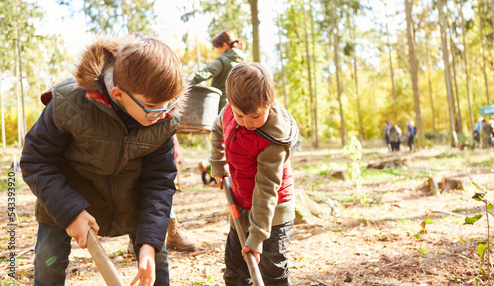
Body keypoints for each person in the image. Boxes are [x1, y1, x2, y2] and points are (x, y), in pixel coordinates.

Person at [20, 34, 186, 286]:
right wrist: (70, 212)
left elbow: (159, 182)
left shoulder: (162, 119)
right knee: (48, 261)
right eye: (154, 107)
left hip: (128, 197)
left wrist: (150, 243)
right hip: (63, 197)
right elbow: (36, 161)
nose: (163, 114)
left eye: (169, 105)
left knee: (154, 261)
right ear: (118, 93)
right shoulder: (68, 103)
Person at [210, 62, 299, 285]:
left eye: (255, 116)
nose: (248, 124)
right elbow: (217, 128)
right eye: (240, 116)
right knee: (235, 271)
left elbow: (267, 190)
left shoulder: (274, 141)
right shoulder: (231, 110)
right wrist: (218, 164)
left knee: (271, 271)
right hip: (241, 204)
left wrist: (257, 236)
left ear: (269, 104)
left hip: (273, 210)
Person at [186, 29, 245, 113]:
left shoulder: (223, 60)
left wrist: (183, 82)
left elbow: (205, 73)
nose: (217, 52)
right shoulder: (243, 63)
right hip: (238, 107)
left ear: (224, 45)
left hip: (222, 105)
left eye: (218, 48)